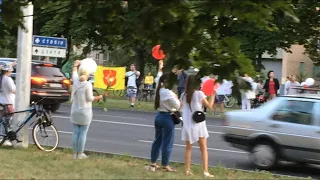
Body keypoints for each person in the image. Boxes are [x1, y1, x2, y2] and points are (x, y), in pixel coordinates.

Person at [180, 75, 214, 178]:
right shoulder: (199, 94)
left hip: (187, 124)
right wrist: (212, 95)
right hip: (198, 124)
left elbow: (180, 107)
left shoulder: (183, 95)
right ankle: (205, 171)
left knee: (188, 148)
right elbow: (209, 106)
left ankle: (187, 170)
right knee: (203, 148)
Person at [147, 73, 180, 172]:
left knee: (157, 141)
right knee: (167, 142)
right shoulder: (169, 93)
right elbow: (178, 105)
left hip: (159, 116)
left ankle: (153, 162)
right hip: (167, 118)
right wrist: (176, 96)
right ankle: (165, 164)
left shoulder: (160, 90)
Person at [71, 60, 103, 159]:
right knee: (83, 132)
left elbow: (74, 72)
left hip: (75, 110)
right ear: (88, 75)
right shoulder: (88, 84)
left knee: (75, 132)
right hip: (85, 111)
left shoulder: (75, 80)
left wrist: (76, 64)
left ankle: (74, 153)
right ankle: (80, 153)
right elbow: (89, 98)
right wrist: (100, 97)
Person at [0, 62, 16, 146]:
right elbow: (13, 90)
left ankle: (1, 138)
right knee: (8, 122)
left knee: (2, 122)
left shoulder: (1, 78)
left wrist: (13, 63)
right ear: (8, 71)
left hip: (1, 102)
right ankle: (5, 139)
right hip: (8, 102)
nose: (11, 73)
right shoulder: (8, 79)